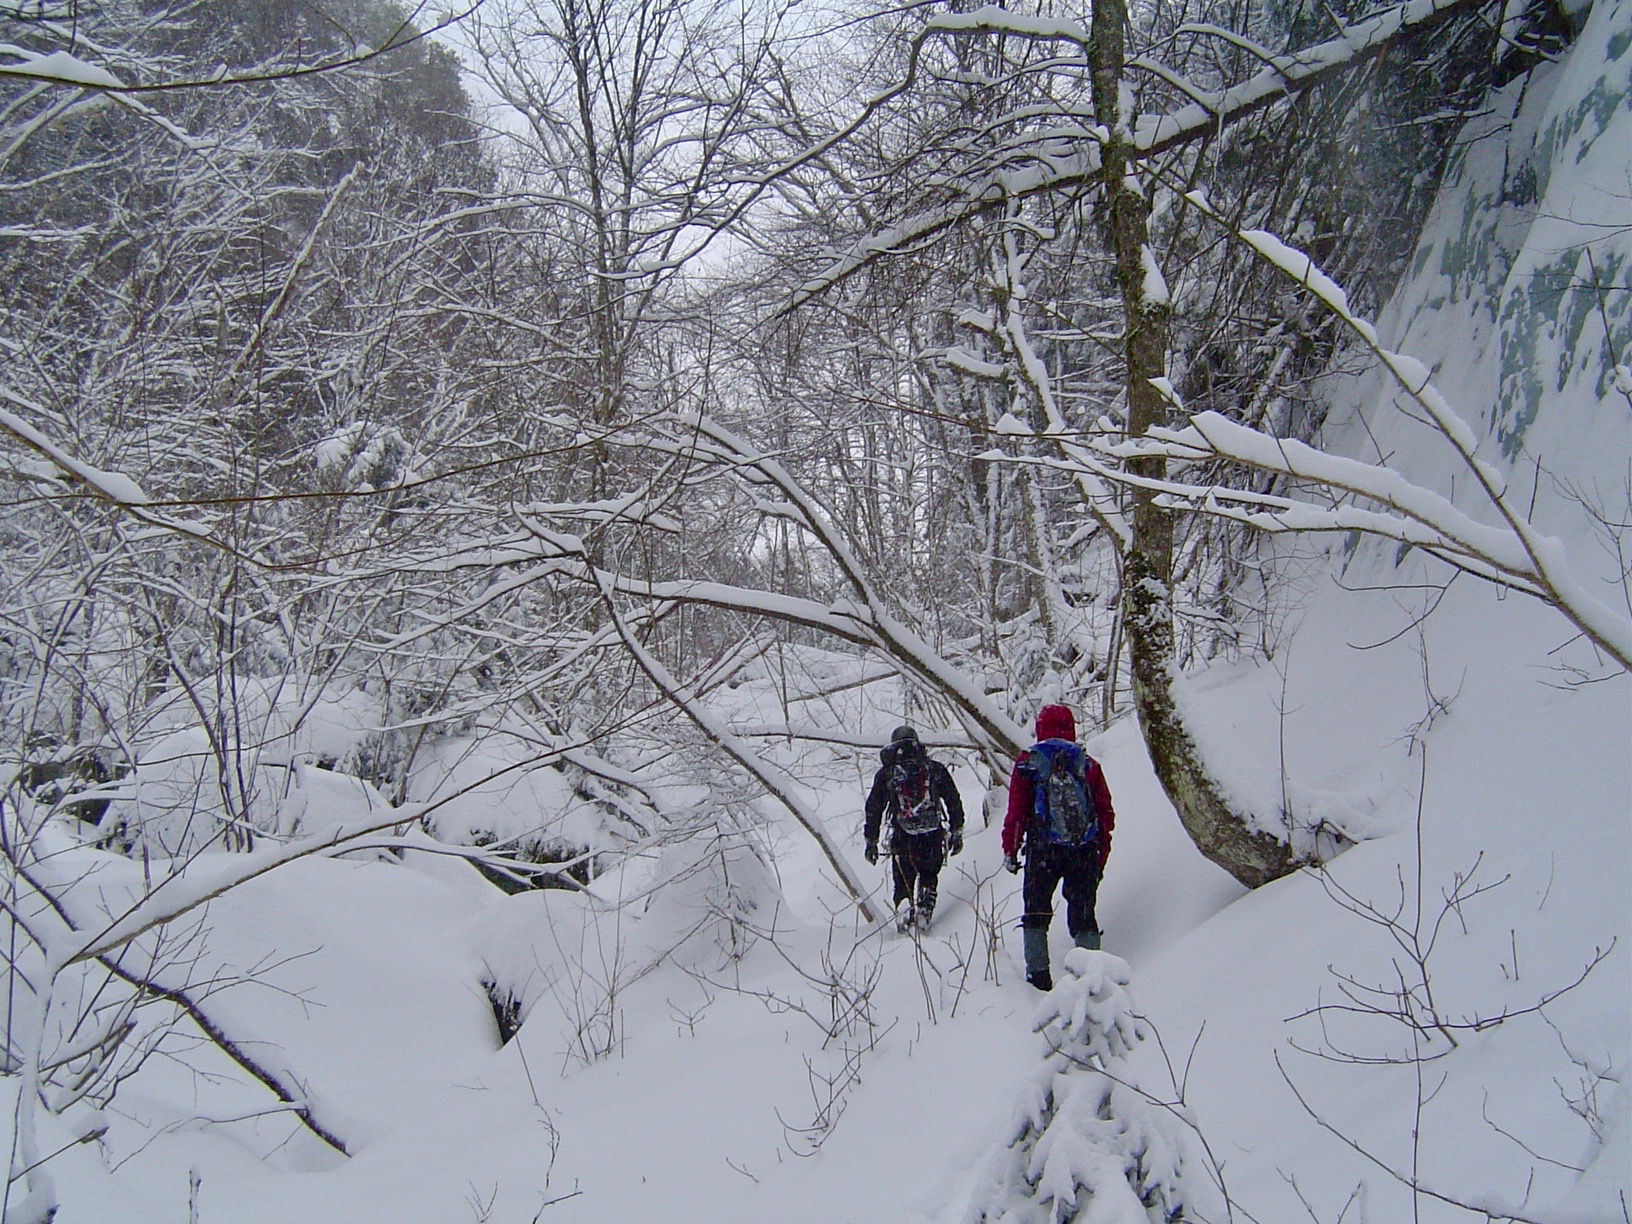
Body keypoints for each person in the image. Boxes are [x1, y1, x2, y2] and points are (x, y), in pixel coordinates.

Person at [1002, 703, 1116, 990]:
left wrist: (1010, 849)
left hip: (1044, 851)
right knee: (1083, 913)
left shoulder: (1028, 763)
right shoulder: (1087, 764)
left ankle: (1037, 979)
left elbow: (1017, 812)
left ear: (1040, 728)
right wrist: (1100, 854)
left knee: (1036, 912)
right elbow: (1105, 814)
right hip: (1084, 850)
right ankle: (1092, 981)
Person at [864, 725, 966, 932]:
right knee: (929, 874)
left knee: (902, 880)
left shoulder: (887, 774)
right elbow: (953, 800)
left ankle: (904, 915)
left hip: (903, 837)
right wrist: (957, 830)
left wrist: (871, 841)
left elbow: (874, 808)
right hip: (932, 834)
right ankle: (925, 909)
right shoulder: (934, 769)